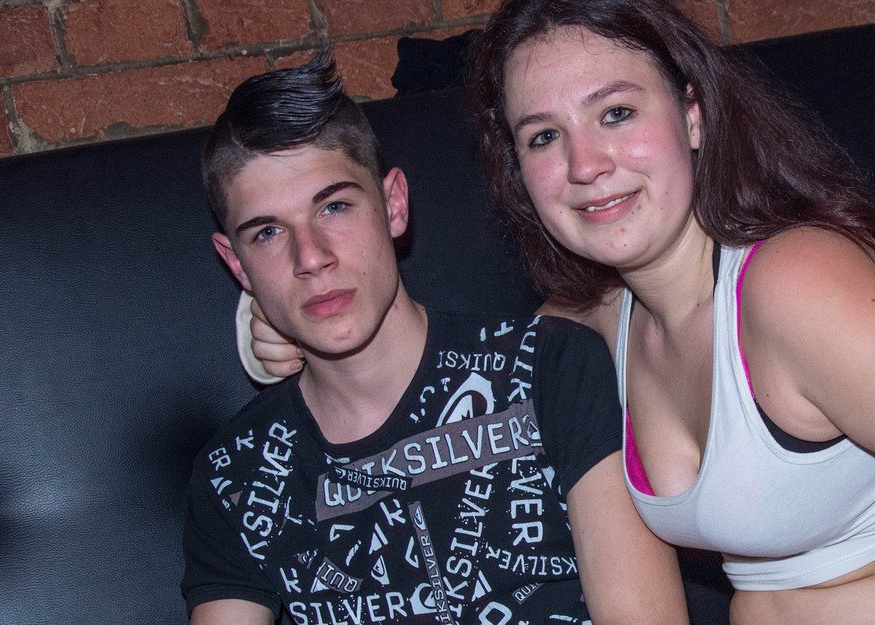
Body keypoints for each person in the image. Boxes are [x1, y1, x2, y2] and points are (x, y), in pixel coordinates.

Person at [245, 1, 875, 623]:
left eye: (615, 113)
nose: (585, 165)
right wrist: (277, 324)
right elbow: (440, 370)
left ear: (692, 115)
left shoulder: (793, 287)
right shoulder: (602, 322)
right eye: (545, 136)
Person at [182, 43, 683, 625]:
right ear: (236, 263)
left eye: (335, 207)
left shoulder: (547, 366)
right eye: (267, 233)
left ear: (393, 204)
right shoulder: (237, 474)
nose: (311, 257)